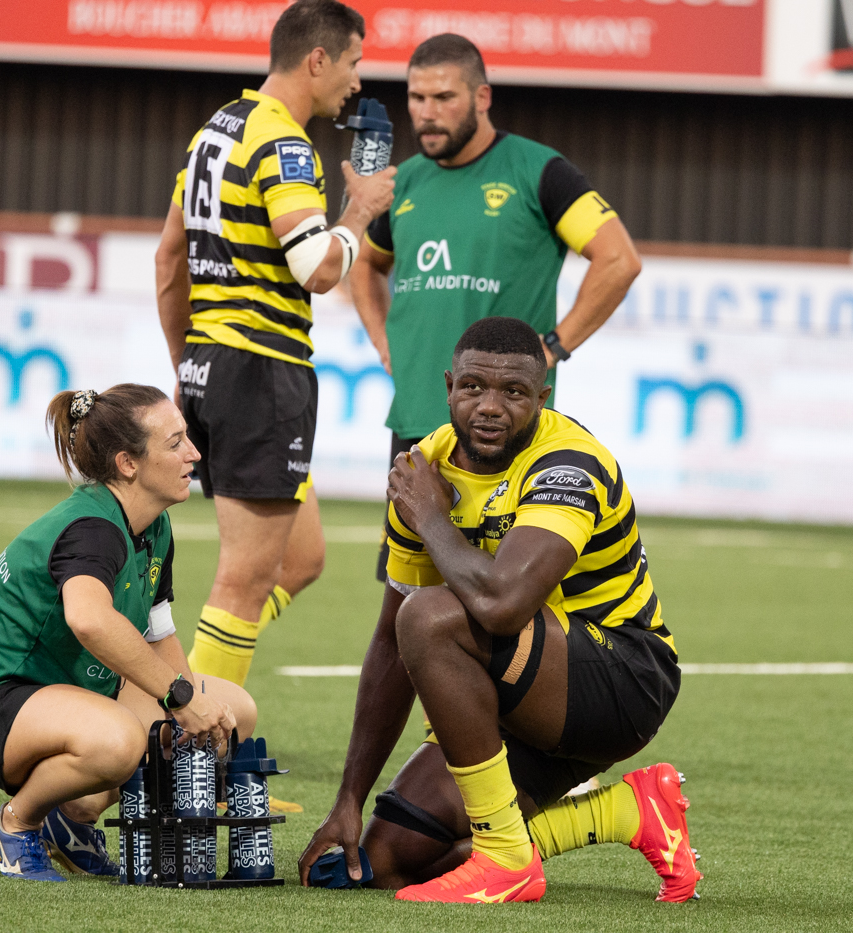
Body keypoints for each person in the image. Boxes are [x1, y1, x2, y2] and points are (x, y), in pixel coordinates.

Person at [298, 318, 701, 903]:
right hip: (519, 692)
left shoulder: (567, 465)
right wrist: (349, 800)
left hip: (621, 679)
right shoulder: (425, 469)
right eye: (472, 388)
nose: (489, 407)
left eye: (513, 393)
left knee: (433, 616)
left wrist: (432, 518)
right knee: (391, 859)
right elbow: (389, 642)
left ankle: (506, 860)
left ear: (542, 398)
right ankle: (626, 812)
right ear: (448, 388)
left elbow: (501, 605)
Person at [155, 0, 397, 693]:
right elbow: (317, 267)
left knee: (302, 558)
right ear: (317, 60)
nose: (357, 82)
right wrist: (359, 211)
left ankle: (191, 688)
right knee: (244, 578)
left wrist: (187, 365)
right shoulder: (285, 144)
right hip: (261, 370)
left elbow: (169, 261)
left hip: (216, 366)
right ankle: (197, 754)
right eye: (353, 63)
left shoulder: (216, 131)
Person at [349, 33, 642, 581]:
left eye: (444, 98)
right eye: (416, 99)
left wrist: (553, 347)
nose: (427, 114)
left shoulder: (538, 171)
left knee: (498, 595)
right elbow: (365, 265)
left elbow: (618, 259)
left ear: (482, 97)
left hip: (502, 433)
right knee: (404, 596)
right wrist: (382, 338)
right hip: (418, 421)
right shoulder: (404, 182)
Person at [0, 384, 255, 881]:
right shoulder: (92, 528)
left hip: (69, 693)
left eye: (188, 439)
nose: (194, 453)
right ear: (128, 463)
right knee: (119, 741)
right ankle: (18, 824)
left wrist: (190, 704)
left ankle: (73, 819)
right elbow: (88, 618)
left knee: (235, 713)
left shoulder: (154, 525)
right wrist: (178, 696)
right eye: (175, 444)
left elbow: (158, 630)